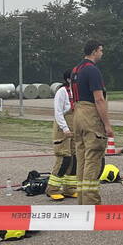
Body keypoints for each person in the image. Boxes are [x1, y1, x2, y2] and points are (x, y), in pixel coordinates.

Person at [71, 40, 114, 205]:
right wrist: (107, 125)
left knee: (81, 158)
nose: (102, 53)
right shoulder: (92, 70)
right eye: (101, 50)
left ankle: (82, 200)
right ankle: (91, 202)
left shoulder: (76, 70)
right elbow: (99, 99)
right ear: (95, 51)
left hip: (77, 114)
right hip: (90, 115)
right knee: (93, 158)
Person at [46, 70, 78, 201]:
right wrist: (65, 128)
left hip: (75, 127)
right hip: (62, 128)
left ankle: (69, 189)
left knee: (74, 159)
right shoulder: (62, 92)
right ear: (69, 79)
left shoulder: (78, 92)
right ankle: (52, 189)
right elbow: (58, 112)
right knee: (64, 158)